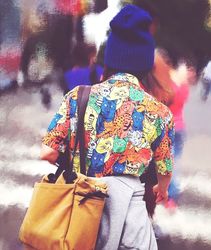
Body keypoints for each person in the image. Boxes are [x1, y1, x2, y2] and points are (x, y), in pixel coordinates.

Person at [40, 4, 174, 250]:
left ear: (110, 58)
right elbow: (164, 170)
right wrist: (162, 189)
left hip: (81, 208)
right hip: (130, 220)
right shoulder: (160, 112)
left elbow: (47, 152)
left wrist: (77, 157)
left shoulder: (77, 96)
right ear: (145, 64)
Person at [141, 48, 196, 213]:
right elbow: (182, 99)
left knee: (162, 164)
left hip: (166, 126)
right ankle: (170, 195)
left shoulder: (161, 81)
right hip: (180, 126)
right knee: (174, 163)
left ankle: (167, 196)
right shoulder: (181, 80)